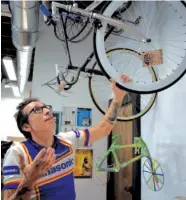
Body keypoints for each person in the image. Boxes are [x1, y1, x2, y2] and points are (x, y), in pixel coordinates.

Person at [2, 76, 130, 200]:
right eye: (36, 110)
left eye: (46, 107)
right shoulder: (17, 153)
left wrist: (118, 97)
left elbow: (104, 129)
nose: (47, 111)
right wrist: (30, 181)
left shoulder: (67, 140)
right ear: (26, 126)